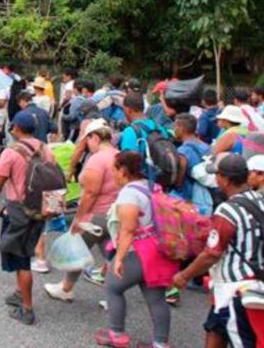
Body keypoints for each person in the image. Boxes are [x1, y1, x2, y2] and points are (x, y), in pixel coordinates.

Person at [173, 154, 264, 348]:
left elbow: (211, 254)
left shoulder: (227, 211)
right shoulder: (258, 200)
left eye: (219, 175)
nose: (216, 179)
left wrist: (184, 275)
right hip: (252, 282)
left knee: (241, 340)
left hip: (235, 290)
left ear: (227, 179)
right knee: (214, 330)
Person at [0, 111, 55, 325]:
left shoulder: (11, 152)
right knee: (26, 250)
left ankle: (27, 309)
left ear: (17, 128)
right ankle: (20, 292)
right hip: (41, 209)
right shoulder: (46, 150)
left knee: (21, 260)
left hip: (19, 211)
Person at [95, 151, 175, 348]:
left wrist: (119, 259)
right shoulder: (152, 186)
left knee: (113, 287)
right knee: (156, 298)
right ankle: (160, 343)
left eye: (114, 169)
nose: (113, 174)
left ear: (123, 170)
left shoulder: (129, 194)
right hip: (158, 249)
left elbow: (129, 229)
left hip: (138, 252)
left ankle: (117, 334)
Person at [45, 119, 120, 301]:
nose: (86, 145)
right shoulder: (118, 155)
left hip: (96, 214)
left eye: (87, 140)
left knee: (77, 250)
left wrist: (79, 219)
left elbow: (90, 193)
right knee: (112, 256)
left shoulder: (97, 159)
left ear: (94, 137)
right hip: (115, 214)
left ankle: (66, 288)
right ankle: (114, 297)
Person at [174, 113, 211, 201]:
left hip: (190, 196)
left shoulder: (183, 151)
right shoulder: (206, 146)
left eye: (175, 127)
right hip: (207, 195)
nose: (174, 130)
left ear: (181, 128)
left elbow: (179, 181)